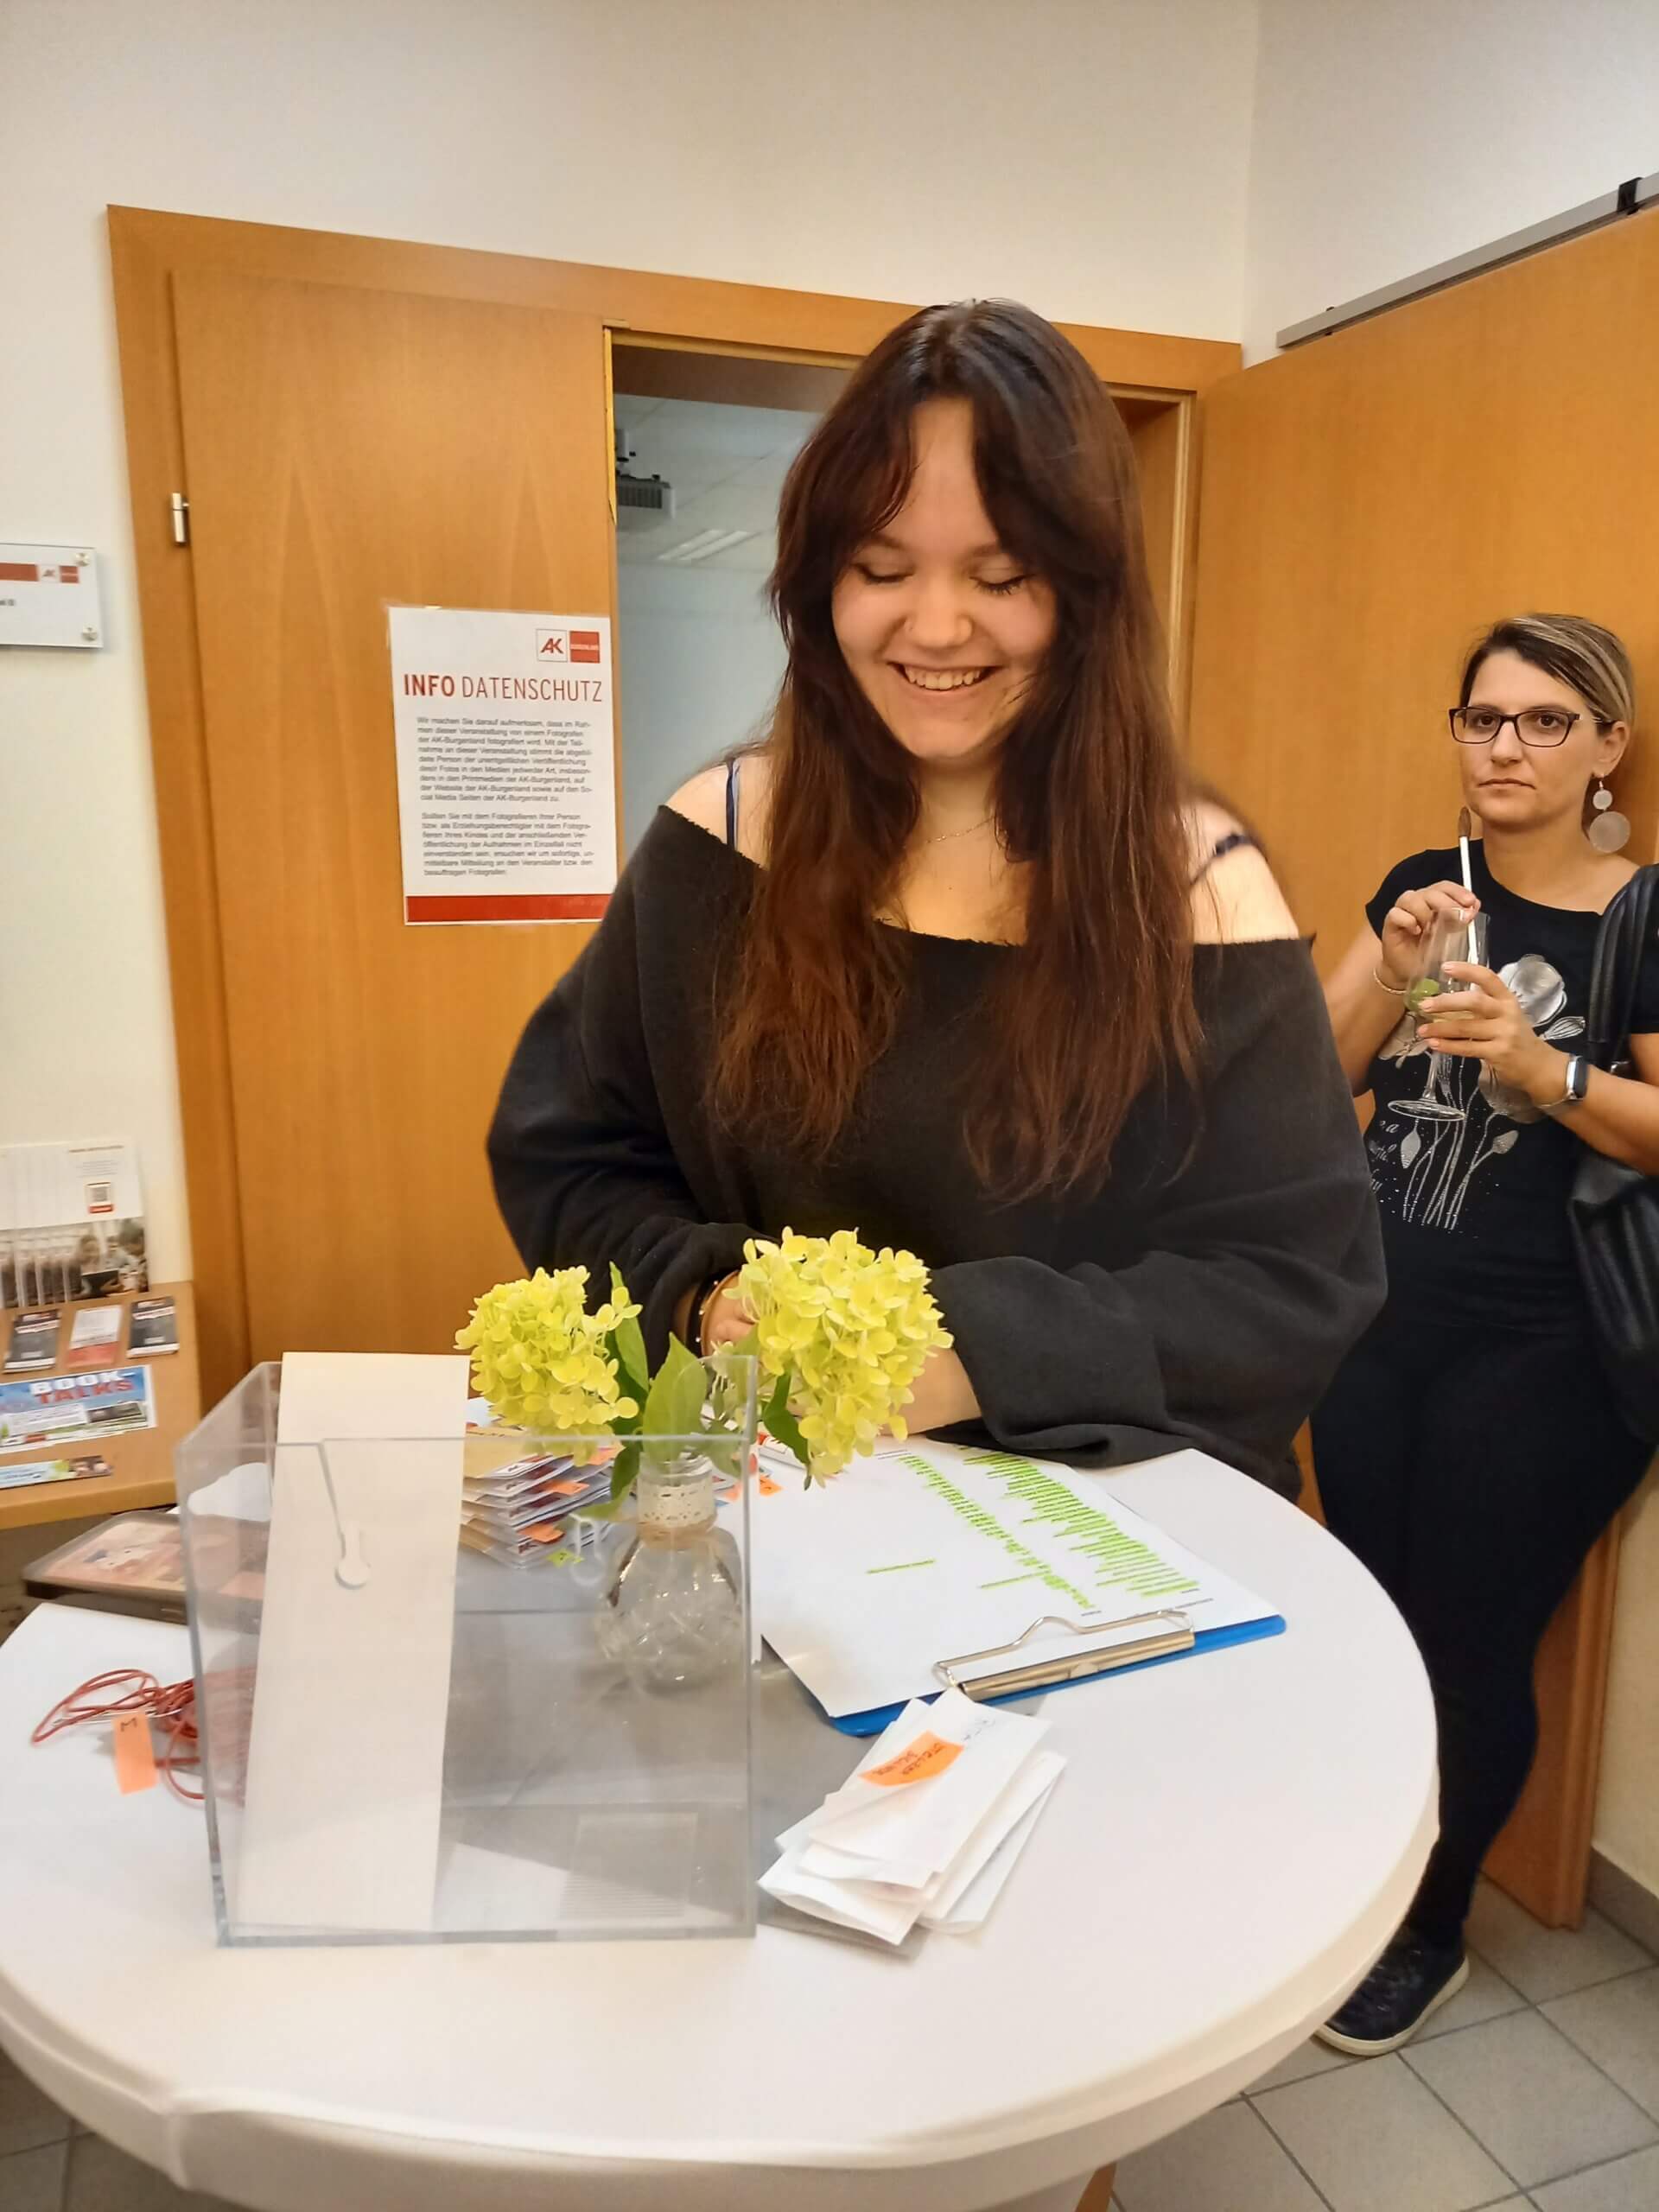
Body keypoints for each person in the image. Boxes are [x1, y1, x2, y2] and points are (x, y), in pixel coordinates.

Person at [489, 299, 1383, 1497]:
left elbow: (1293, 1281)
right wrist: (703, 1296)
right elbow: (570, 1159)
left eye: (1001, 574)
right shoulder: (721, 842)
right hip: (779, 1513)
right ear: (821, 589)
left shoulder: (1195, 891)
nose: (937, 626)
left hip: (1103, 1543)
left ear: (1083, 594)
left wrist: (973, 1357)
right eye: (881, 569)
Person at [1315, 613, 1659, 2056]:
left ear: (1605, 749)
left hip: (1551, 1351)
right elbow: (1313, 1081)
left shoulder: (1644, 914)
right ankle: (1354, 1877)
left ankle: (1429, 1927)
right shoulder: (1424, 885)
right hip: (1380, 1323)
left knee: (1468, 1638)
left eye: (1541, 720)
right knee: (1369, 1625)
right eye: (1482, 719)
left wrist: (1542, 1062)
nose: (1504, 747)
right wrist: (1392, 971)